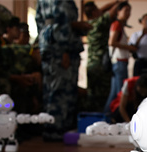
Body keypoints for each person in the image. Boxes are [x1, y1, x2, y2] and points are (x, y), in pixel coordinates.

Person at [36, 0, 91, 141]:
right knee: (60, 91)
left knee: (58, 90)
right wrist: (64, 51)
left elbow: (43, 23)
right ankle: (55, 130)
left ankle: (57, 129)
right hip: (60, 50)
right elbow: (60, 23)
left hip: (53, 47)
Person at [84, 0, 120, 112]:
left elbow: (100, 11)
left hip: (91, 65)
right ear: (94, 12)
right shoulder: (99, 23)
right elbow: (112, 12)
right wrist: (119, 2)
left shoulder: (88, 24)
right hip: (101, 65)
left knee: (92, 95)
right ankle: (101, 119)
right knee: (104, 96)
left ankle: (90, 118)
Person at [104, 2, 136, 114]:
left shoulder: (120, 26)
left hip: (120, 62)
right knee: (120, 93)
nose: (128, 13)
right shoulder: (117, 24)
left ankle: (107, 115)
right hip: (119, 62)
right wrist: (129, 47)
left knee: (114, 93)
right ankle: (115, 116)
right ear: (118, 11)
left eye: (129, 11)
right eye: (126, 10)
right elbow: (112, 42)